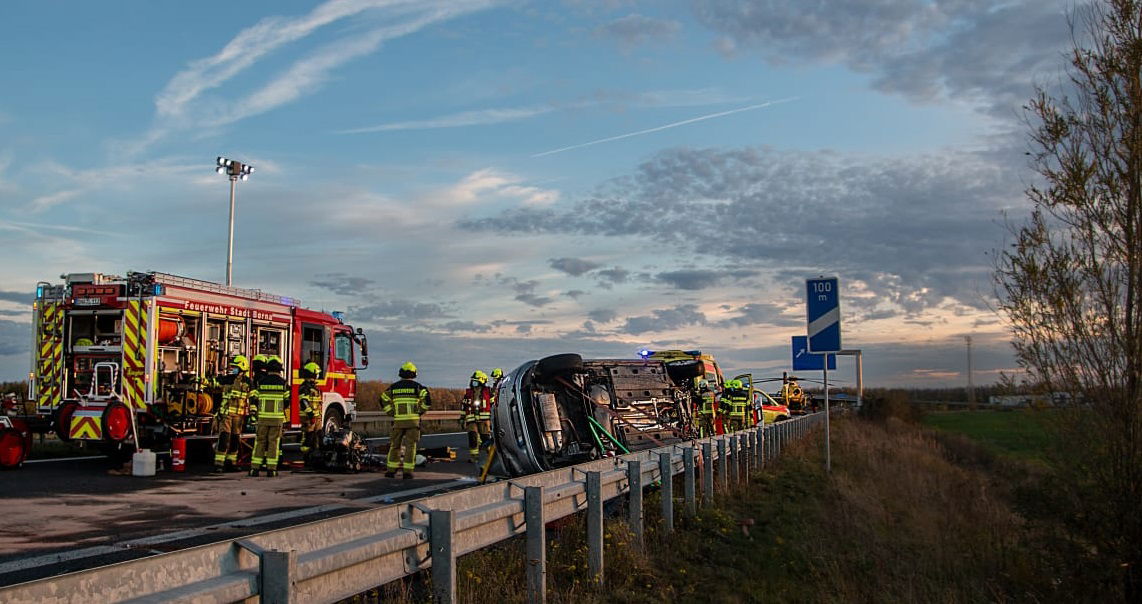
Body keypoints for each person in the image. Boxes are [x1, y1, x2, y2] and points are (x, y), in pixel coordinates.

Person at [381, 361, 431, 479]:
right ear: (414, 374)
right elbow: (427, 401)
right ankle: (407, 472)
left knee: (395, 446)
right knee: (410, 447)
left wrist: (391, 411)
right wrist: (420, 411)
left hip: (398, 422)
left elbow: (383, 398)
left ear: (401, 374)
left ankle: (391, 471)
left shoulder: (394, 387)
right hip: (413, 422)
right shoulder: (418, 387)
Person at [249, 356, 289, 477]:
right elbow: (287, 401)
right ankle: (271, 470)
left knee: (260, 442)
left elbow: (253, 398)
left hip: (262, 418)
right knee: (273, 443)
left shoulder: (261, 382)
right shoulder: (283, 383)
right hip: (276, 419)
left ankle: (254, 469)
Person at [213, 355, 251, 473]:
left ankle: (231, 462)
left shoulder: (248, 382)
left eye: (235, 367)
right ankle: (219, 464)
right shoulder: (227, 379)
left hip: (239, 416)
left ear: (242, 368)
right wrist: (202, 381)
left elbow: (253, 396)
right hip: (226, 414)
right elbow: (214, 384)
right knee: (224, 438)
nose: (233, 369)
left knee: (235, 439)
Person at [462, 370, 493, 462]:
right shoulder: (468, 393)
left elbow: (493, 404)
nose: (473, 382)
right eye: (473, 381)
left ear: (482, 381)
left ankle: (491, 456)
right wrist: (462, 418)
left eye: (475, 381)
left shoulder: (488, 392)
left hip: (484, 420)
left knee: (485, 438)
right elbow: (464, 407)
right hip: (471, 419)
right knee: (472, 437)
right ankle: (474, 457)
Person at [298, 361, 323, 462]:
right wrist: (310, 414)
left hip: (316, 418)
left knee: (319, 437)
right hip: (308, 418)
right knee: (308, 438)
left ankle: (317, 457)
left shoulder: (313, 387)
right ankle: (307, 458)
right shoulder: (305, 387)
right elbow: (304, 402)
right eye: (316, 374)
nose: (317, 376)